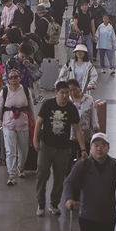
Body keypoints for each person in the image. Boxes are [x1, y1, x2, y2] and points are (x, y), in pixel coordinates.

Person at [64, 133, 116, 231]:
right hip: (87, 217)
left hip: (108, 218)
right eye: (96, 145)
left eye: (103, 145)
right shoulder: (82, 165)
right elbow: (69, 182)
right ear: (90, 148)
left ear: (108, 148)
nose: (99, 148)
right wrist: (69, 199)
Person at [33, 81, 87, 217]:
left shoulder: (71, 108)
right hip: (46, 145)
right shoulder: (48, 105)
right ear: (56, 92)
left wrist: (83, 149)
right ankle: (40, 203)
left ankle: (54, 204)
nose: (65, 96)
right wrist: (35, 139)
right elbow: (39, 123)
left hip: (63, 148)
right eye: (62, 93)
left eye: (67, 93)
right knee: (42, 174)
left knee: (59, 176)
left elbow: (77, 129)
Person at [0, 68, 36, 185]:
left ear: (20, 78)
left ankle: (21, 167)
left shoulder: (26, 91)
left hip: (23, 124)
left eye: (15, 77)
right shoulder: (4, 91)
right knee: (10, 150)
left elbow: (31, 108)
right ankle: (11, 174)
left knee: (23, 150)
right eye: (10, 77)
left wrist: (35, 123)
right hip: (8, 124)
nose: (13, 79)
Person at [68, 79, 99, 160]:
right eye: (70, 91)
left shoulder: (89, 99)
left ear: (79, 87)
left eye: (75, 89)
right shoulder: (67, 100)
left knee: (84, 158)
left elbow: (94, 117)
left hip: (86, 134)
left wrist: (96, 132)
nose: (73, 93)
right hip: (70, 135)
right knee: (70, 158)